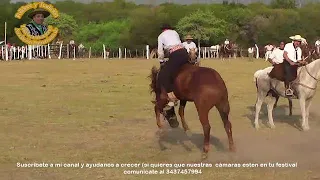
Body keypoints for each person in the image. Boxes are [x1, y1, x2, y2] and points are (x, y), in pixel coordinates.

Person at [157, 23, 189, 107]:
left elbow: (160, 51)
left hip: (175, 54)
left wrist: (161, 61)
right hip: (184, 53)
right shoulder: (175, 32)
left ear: (163, 29)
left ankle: (172, 98)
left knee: (163, 75)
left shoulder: (161, 36)